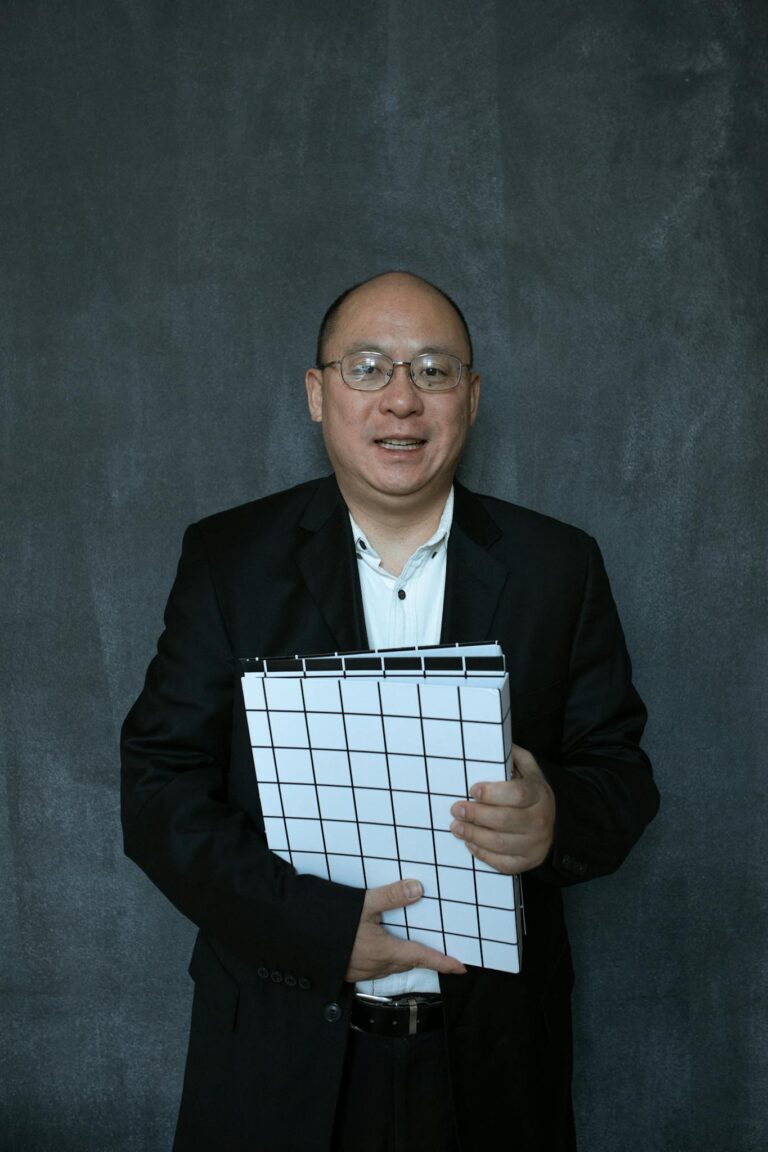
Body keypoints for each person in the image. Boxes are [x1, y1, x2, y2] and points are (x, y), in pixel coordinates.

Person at [121, 271, 659, 1152]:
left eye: (434, 371)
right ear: (317, 393)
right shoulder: (228, 559)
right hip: (278, 1060)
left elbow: (622, 777)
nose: (402, 400)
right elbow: (158, 793)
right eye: (367, 368)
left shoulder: (559, 566)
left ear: (472, 398)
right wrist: (321, 934)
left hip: (492, 1072)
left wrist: (557, 814)